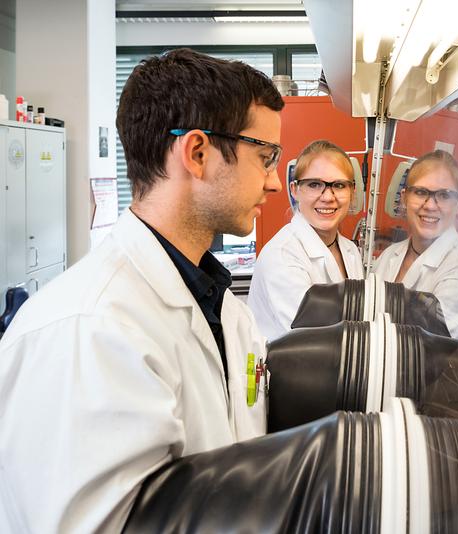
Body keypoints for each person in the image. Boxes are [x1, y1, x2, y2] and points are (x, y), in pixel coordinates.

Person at [0, 49, 284, 532]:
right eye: (265, 157)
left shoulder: (219, 305)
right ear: (197, 153)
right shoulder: (89, 331)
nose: (275, 182)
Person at [372, 150, 458, 353]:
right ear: (404, 197)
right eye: (420, 192)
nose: (430, 205)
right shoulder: (390, 255)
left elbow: (423, 347)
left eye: (444, 195)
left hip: (436, 381)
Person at [248, 140, 363, 341]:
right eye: (314, 185)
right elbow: (314, 340)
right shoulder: (282, 256)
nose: (328, 197)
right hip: (287, 369)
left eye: (338, 185)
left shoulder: (350, 250)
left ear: (352, 192)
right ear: (295, 190)